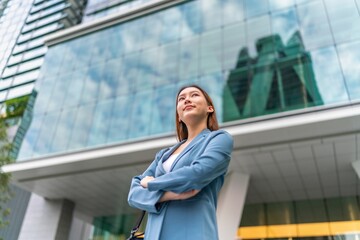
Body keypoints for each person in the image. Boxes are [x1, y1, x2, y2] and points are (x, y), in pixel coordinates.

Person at [128, 85, 234, 240]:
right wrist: (169, 195)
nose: (187, 100)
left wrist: (153, 183)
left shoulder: (219, 139)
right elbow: (133, 193)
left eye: (195, 95)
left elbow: (196, 174)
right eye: (181, 99)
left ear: (209, 108)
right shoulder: (163, 154)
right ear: (179, 115)